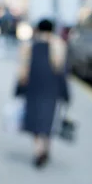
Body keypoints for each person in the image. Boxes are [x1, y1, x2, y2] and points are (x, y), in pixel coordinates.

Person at [17, 18, 70, 168]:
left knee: (34, 120)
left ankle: (38, 149)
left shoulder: (29, 45)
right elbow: (63, 71)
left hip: (34, 87)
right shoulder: (59, 45)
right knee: (48, 119)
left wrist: (19, 89)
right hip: (51, 89)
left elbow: (22, 70)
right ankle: (45, 148)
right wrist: (65, 93)